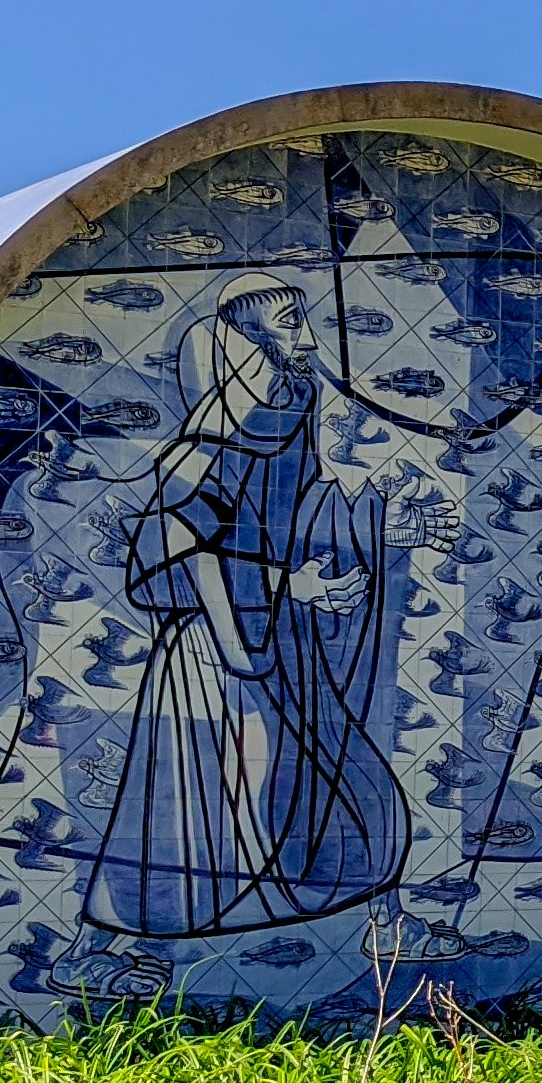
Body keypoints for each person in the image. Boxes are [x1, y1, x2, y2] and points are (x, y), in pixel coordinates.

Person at [88, 279, 408, 934]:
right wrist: (287, 585)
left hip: (284, 642)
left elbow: (306, 511)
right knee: (199, 819)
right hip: (214, 654)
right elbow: (163, 557)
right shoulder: (213, 439)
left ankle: (390, 927)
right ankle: (110, 949)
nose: (310, 342)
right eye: (291, 324)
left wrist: (377, 526)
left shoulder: (291, 415)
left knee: (357, 787)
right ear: (247, 341)